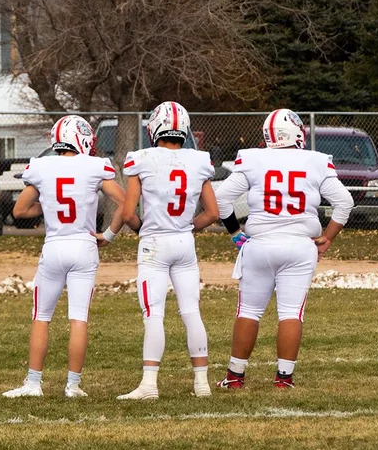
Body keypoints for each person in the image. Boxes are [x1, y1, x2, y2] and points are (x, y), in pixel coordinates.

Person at [212, 109, 353, 391]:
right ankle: (283, 379)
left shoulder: (253, 158)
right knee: (291, 312)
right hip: (300, 246)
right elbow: (345, 202)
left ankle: (235, 377)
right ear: (298, 132)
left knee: (249, 311)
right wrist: (327, 237)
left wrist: (235, 233)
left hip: (260, 243)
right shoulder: (314, 161)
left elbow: (221, 198)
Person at [3, 115, 122, 399]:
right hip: (84, 245)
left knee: (41, 317)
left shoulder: (42, 166)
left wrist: (47, 207)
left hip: (54, 245)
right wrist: (109, 234)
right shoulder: (95, 166)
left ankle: (33, 383)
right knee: (78, 318)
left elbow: (19, 211)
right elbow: (125, 202)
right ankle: (73, 385)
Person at [105, 102, 219, 400]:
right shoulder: (198, 161)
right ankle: (202, 384)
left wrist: (142, 227)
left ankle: (149, 385)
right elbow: (213, 213)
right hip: (184, 244)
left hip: (154, 243)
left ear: (154, 128)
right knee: (191, 311)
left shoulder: (141, 158)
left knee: (153, 314)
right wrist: (188, 227)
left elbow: (128, 213)